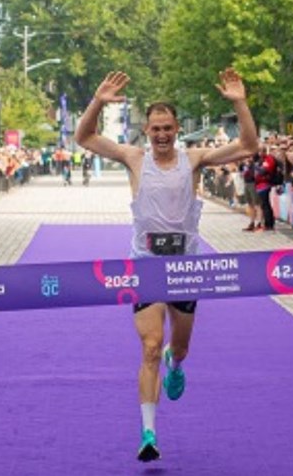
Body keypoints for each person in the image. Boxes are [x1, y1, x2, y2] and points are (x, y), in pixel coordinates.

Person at [74, 68, 258, 463]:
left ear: (176, 129)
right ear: (146, 129)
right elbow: (84, 137)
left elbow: (248, 145)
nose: (161, 135)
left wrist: (240, 102)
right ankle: (148, 433)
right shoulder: (134, 158)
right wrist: (97, 102)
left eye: (168, 128)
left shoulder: (194, 159)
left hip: (187, 267)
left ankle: (177, 364)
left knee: (180, 347)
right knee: (150, 347)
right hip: (146, 266)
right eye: (155, 128)